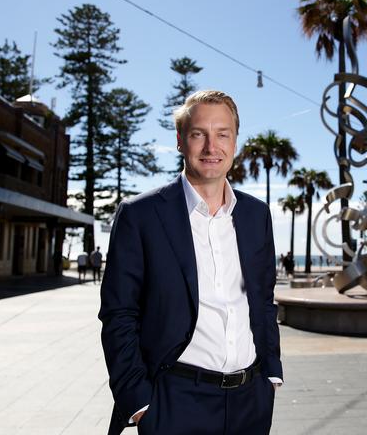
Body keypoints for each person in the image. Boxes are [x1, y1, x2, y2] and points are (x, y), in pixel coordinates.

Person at [99, 90, 282, 435]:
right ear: (181, 142)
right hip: (175, 402)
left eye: (222, 134)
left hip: (251, 402)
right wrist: (140, 403)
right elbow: (118, 313)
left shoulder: (256, 216)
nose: (212, 147)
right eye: (199, 134)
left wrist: (271, 374)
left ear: (235, 141)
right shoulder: (141, 215)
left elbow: (262, 301)